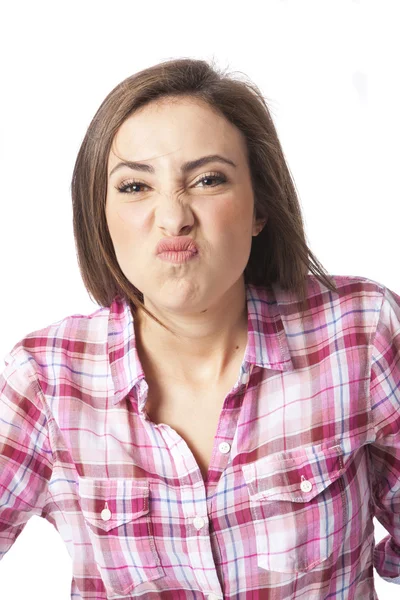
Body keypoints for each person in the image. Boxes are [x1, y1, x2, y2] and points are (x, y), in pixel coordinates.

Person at [0, 57, 399, 600]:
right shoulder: (45, 379)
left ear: (259, 205)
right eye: (135, 187)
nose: (173, 217)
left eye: (208, 179)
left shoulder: (360, 331)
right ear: (101, 216)